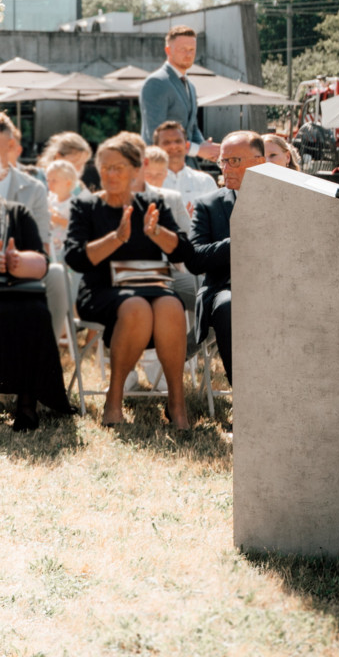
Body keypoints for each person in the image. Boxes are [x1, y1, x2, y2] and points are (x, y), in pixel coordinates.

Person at [65, 132, 195, 428]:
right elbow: (75, 257)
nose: (111, 173)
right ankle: (114, 400)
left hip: (150, 286)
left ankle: (176, 402)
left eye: (119, 167)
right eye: (105, 167)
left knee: (171, 307)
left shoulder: (153, 204)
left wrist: (157, 233)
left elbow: (185, 250)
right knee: (137, 307)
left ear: (136, 170)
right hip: (100, 292)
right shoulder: (85, 206)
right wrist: (116, 238)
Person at [0, 139, 74, 430]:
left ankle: (28, 404)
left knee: (36, 313)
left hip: (18, 289)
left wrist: (16, 261)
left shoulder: (18, 212)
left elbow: (41, 261)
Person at [181, 130, 260, 380]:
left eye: (233, 161)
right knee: (227, 305)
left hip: (275, 288)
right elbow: (194, 259)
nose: (224, 168)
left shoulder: (283, 202)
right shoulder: (208, 204)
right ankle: (246, 399)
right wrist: (239, 243)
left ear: (259, 162)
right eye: (222, 161)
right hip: (225, 290)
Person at [139, 26, 223, 162]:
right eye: (183, 49)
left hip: (187, 166)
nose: (188, 54)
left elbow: (192, 127)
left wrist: (205, 147)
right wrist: (198, 150)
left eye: (192, 50)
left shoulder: (190, 86)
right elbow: (155, 134)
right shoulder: (156, 82)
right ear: (168, 50)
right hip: (161, 167)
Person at [152, 121, 217, 203]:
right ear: (156, 147)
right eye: (166, 142)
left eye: (178, 141)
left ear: (187, 146)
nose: (173, 146)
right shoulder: (147, 183)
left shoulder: (205, 182)